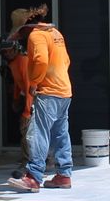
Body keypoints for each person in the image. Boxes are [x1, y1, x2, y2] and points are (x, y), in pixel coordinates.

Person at [9, 11, 73, 191]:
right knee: (61, 133)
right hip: (64, 90)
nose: (20, 36)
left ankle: (33, 177)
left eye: (20, 31)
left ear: (27, 26)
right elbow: (66, 60)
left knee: (39, 132)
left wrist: (34, 83)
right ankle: (63, 175)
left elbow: (40, 60)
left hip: (48, 91)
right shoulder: (55, 34)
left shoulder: (36, 36)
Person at [0, 6, 39, 172]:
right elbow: (18, 84)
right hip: (26, 99)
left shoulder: (23, 61)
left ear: (15, 48)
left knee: (29, 132)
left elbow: (30, 86)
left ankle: (30, 161)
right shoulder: (13, 63)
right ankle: (29, 160)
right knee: (27, 132)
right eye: (4, 53)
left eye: (8, 51)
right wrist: (15, 99)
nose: (6, 55)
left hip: (35, 99)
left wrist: (27, 111)